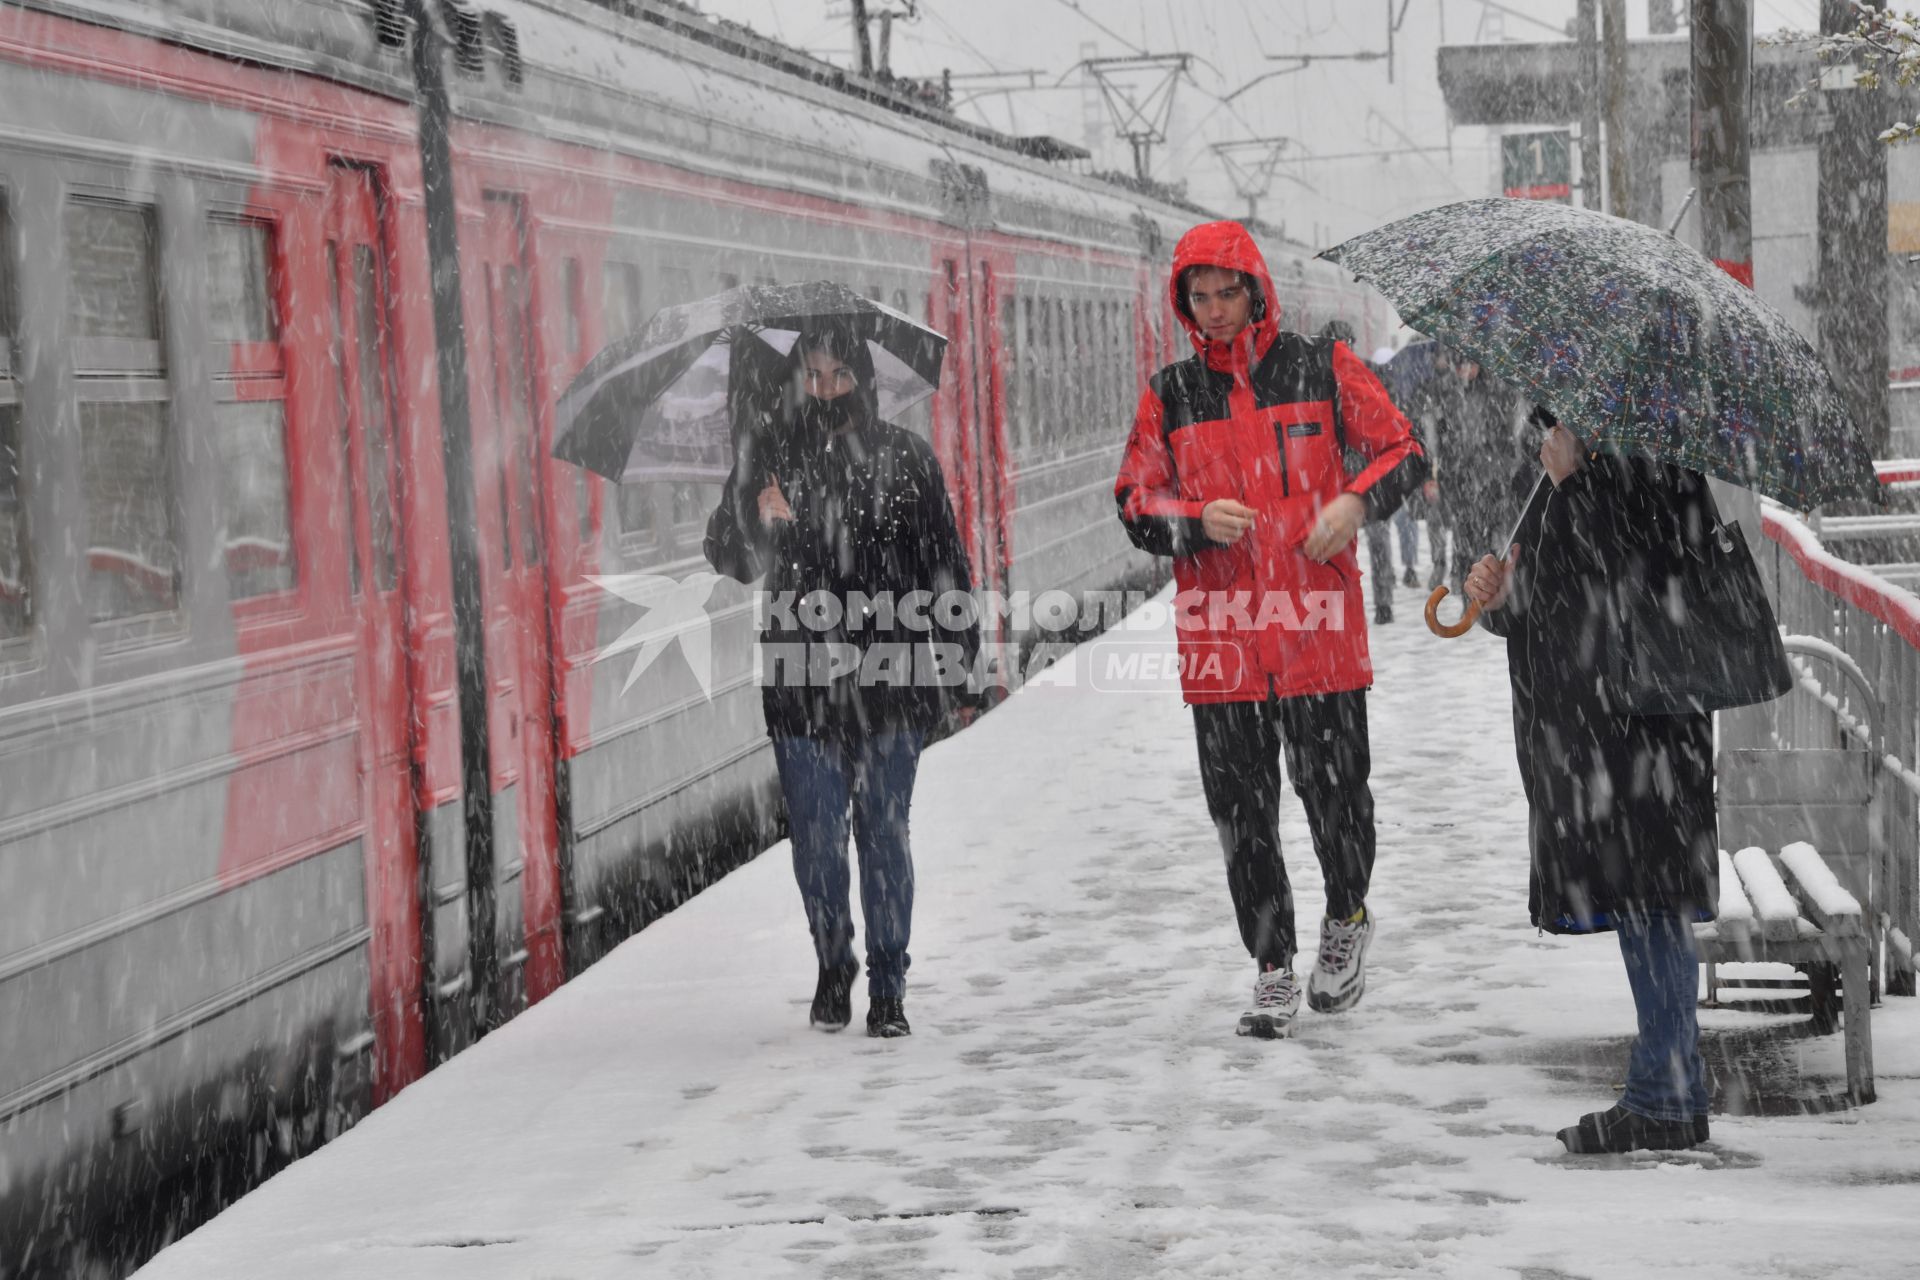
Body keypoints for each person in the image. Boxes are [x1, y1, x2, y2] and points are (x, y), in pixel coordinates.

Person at [1114, 221, 1429, 1038]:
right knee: (1242, 816)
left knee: (1336, 800)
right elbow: (1134, 501)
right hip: (1223, 645)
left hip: (1317, 632)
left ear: (1257, 292)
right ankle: (1271, 966)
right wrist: (1189, 517)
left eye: (1228, 293)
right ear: (1184, 303)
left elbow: (1404, 451)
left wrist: (1356, 501)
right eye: (1200, 297)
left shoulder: (1321, 368)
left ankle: (1347, 918)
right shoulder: (1169, 394)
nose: (1215, 311)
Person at [1464, 408, 1788, 1153]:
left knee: (1655, 904)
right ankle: (1665, 1085)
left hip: (1646, 729)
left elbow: (1645, 584)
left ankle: (1667, 1094)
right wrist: (1499, 593)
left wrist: (1574, 484)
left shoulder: (1656, 458)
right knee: (1646, 906)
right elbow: (1556, 598)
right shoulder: (1576, 459)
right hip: (1600, 729)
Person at [706, 322, 980, 1039]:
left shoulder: (907, 458)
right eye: (812, 376)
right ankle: (835, 961)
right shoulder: (767, 459)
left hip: (893, 679)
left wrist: (960, 664)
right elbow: (729, 558)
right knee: (817, 840)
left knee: (884, 835)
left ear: (863, 379)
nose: (825, 389)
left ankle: (888, 984)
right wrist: (754, 516)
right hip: (801, 683)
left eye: (839, 375)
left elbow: (947, 568)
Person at [1431, 352, 1528, 592]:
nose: (1465, 371)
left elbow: (1507, 433)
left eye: (1470, 364)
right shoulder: (1448, 393)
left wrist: (1501, 465)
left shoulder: (1495, 392)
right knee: (1463, 529)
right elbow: (1441, 435)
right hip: (1460, 474)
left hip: (1490, 474)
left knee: (1487, 532)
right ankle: (1464, 579)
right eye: (1461, 365)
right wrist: (1443, 468)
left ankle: (1481, 583)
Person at [1321, 322, 1396, 624]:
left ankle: (1383, 601)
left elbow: (1386, 419)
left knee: (1377, 541)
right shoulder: (1316, 381)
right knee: (1340, 546)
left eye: (1344, 343)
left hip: (1365, 470)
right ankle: (1346, 604)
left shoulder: (1369, 375)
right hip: (1337, 474)